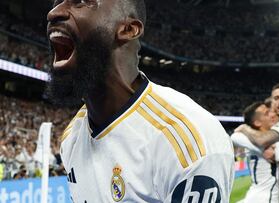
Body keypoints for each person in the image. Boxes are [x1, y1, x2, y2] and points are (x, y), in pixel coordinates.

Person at [46, 0, 234, 202]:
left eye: (82, 1)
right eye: (57, 2)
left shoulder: (187, 141)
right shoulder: (71, 138)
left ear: (128, 29)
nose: (53, 13)